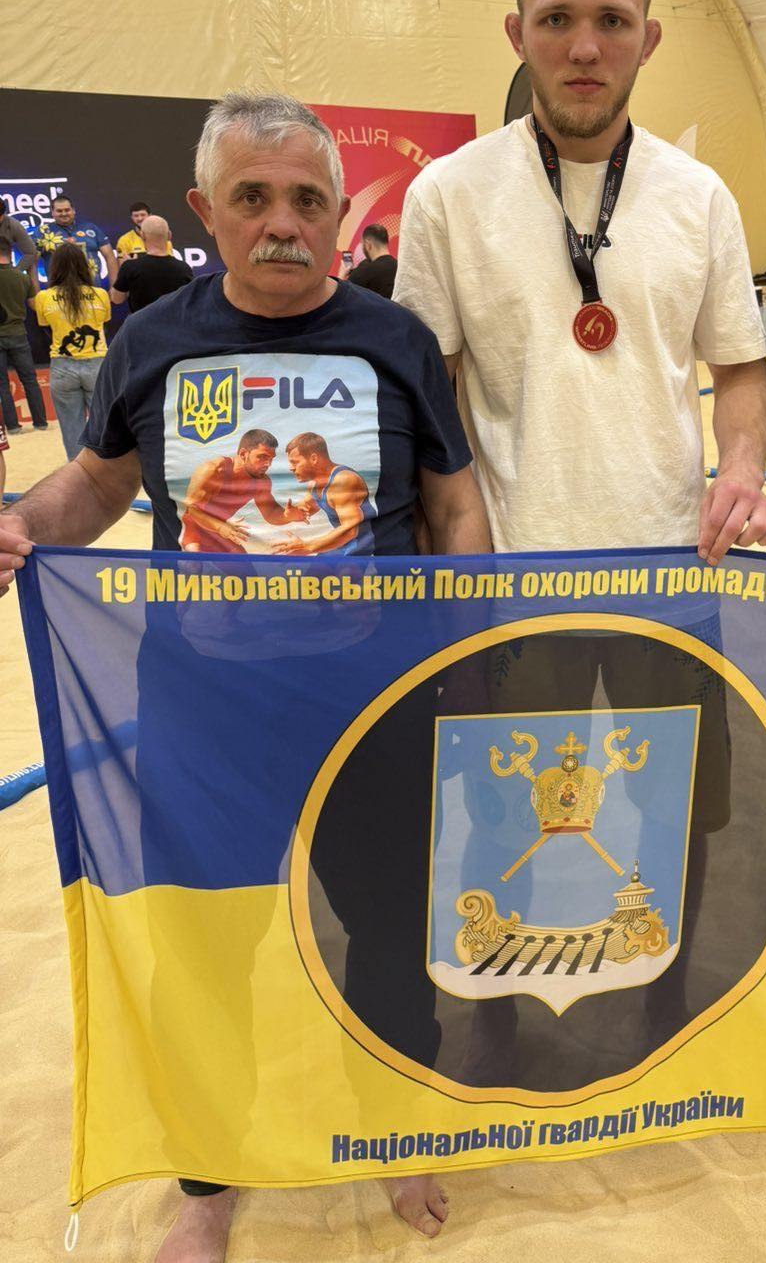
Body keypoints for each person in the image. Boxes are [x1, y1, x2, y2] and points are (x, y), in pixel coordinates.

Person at [0, 91, 492, 1261]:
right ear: (204, 211)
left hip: (372, 709)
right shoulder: (153, 341)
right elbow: (100, 484)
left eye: (308, 200)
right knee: (205, 948)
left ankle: (394, 1130)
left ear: (339, 213)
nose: (283, 222)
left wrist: (469, 654)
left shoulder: (395, 339)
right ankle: (208, 1178)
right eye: (253, 198)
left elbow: (454, 504)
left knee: (389, 936)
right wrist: (23, 521)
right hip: (205, 712)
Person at [393, 0, 766, 561]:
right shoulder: (447, 193)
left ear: (648, 40)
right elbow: (431, 397)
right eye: (556, 19)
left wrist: (740, 470)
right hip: (512, 567)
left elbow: (739, 371)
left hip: (675, 561)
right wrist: (452, 543)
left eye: (613, 21)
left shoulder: (700, 195)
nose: (585, 49)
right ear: (517, 34)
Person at [33, 243, 111, 459]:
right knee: (105, 426)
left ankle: (78, 472)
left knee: (71, 429)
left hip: (62, 366)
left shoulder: (44, 297)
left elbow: (46, 328)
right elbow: (104, 325)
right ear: (84, 266)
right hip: (97, 365)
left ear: (54, 268)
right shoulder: (100, 294)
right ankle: (105, 469)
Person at [179, 428, 307, 551]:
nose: (268, 464)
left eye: (270, 459)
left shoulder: (260, 481)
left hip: (222, 531)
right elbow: (192, 508)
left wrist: (286, 516)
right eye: (262, 457)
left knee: (244, 564)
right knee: (194, 562)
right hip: (193, 531)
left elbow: (271, 513)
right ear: (243, 454)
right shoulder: (214, 470)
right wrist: (220, 527)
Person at [282, 431, 373, 552]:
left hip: (368, 546)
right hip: (341, 544)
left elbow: (350, 531)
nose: (291, 468)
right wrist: (294, 513)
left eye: (295, 462)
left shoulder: (344, 481)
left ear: (314, 459)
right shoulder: (314, 484)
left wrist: (307, 547)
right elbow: (308, 507)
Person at [0, 241, 48, 434]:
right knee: (30, 380)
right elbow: (34, 304)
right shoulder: (23, 278)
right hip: (19, 333)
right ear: (10, 254)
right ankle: (41, 423)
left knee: (2, 384)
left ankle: (12, 427)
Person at [110, 214, 193, 312]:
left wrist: (124, 273)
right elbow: (191, 301)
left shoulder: (130, 267)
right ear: (169, 235)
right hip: (174, 321)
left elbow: (116, 299)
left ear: (142, 235)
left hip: (141, 322)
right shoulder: (184, 269)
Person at [36, 193, 118, 282]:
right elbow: (32, 262)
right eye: (59, 211)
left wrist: (114, 286)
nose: (64, 214)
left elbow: (110, 256)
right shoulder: (42, 232)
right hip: (58, 288)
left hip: (92, 287)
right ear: (52, 212)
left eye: (67, 210)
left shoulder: (91, 228)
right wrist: (35, 289)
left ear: (73, 210)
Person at [344, 222, 397, 296]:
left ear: (368, 244)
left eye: (362, 243)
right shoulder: (398, 267)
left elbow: (343, 296)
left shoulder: (364, 269)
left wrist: (342, 275)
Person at [0, 209, 38, 275]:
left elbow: (31, 252)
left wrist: (16, 272)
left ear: (3, 214)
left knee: (32, 263)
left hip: (5, 268)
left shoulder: (13, 225)